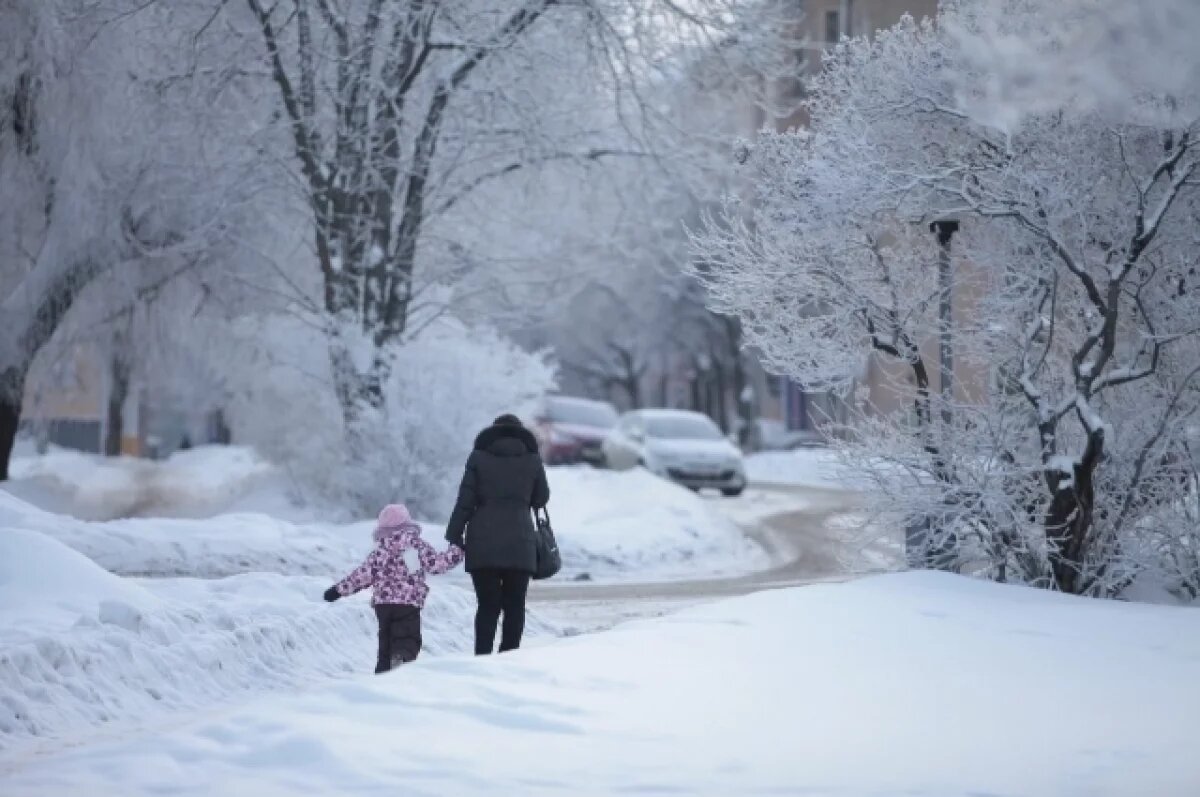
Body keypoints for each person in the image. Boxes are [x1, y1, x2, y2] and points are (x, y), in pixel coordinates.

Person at [446, 414, 550, 655]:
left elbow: (465, 500)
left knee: (487, 605)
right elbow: (541, 498)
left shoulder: (478, 458)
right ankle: (509, 657)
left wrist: (454, 534)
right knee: (515, 605)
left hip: (482, 542)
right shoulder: (532, 460)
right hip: (520, 541)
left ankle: (482, 657)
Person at [324, 503, 464, 673]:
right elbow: (437, 564)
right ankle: (401, 660)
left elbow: (361, 575)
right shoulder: (415, 545)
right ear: (407, 524)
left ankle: (382, 674)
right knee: (408, 638)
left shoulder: (380, 551)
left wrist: (337, 590)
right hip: (408, 603)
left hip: (383, 605)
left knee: (385, 643)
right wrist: (456, 550)